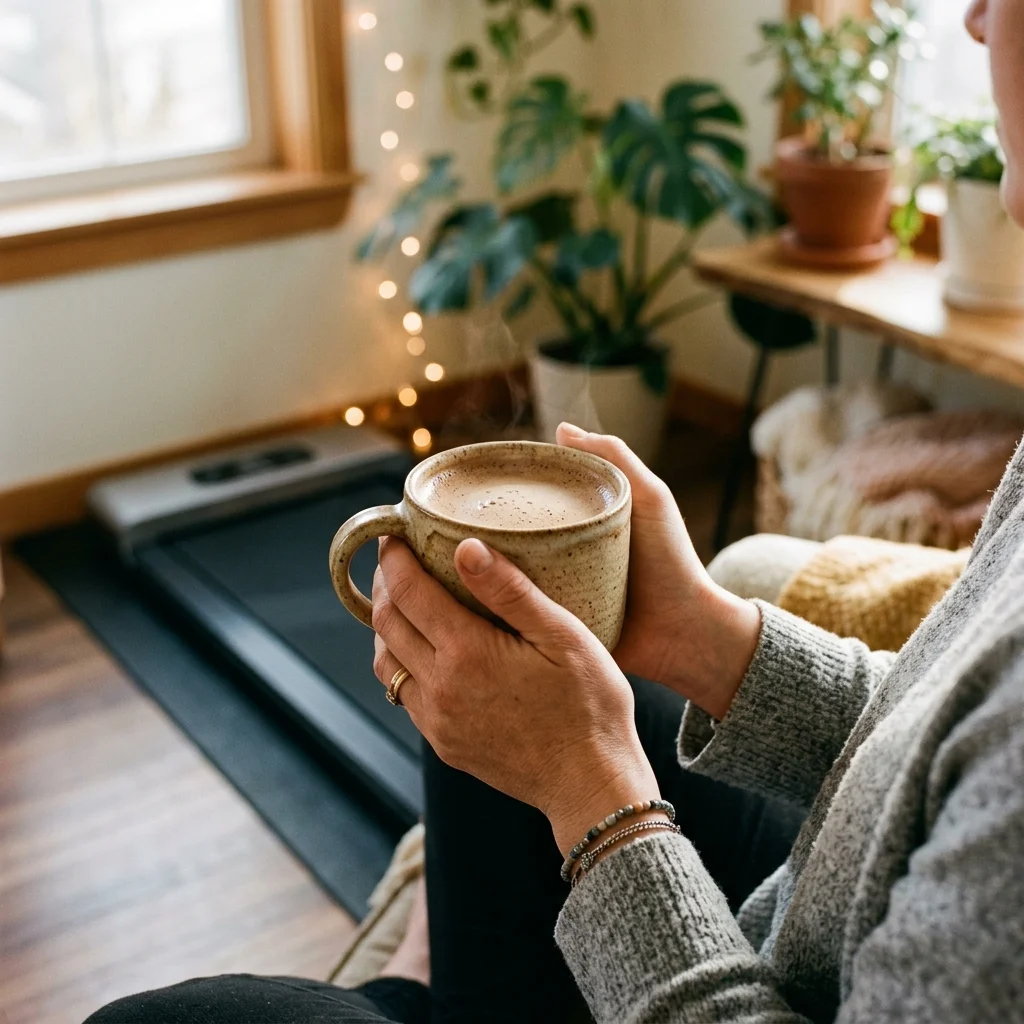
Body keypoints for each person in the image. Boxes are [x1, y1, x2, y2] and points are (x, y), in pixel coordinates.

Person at [89, 1, 1024, 1021]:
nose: (972, 17)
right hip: (823, 906)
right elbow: (939, 728)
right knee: (499, 711)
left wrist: (599, 803)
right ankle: (436, 984)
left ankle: (407, 989)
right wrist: (714, 641)